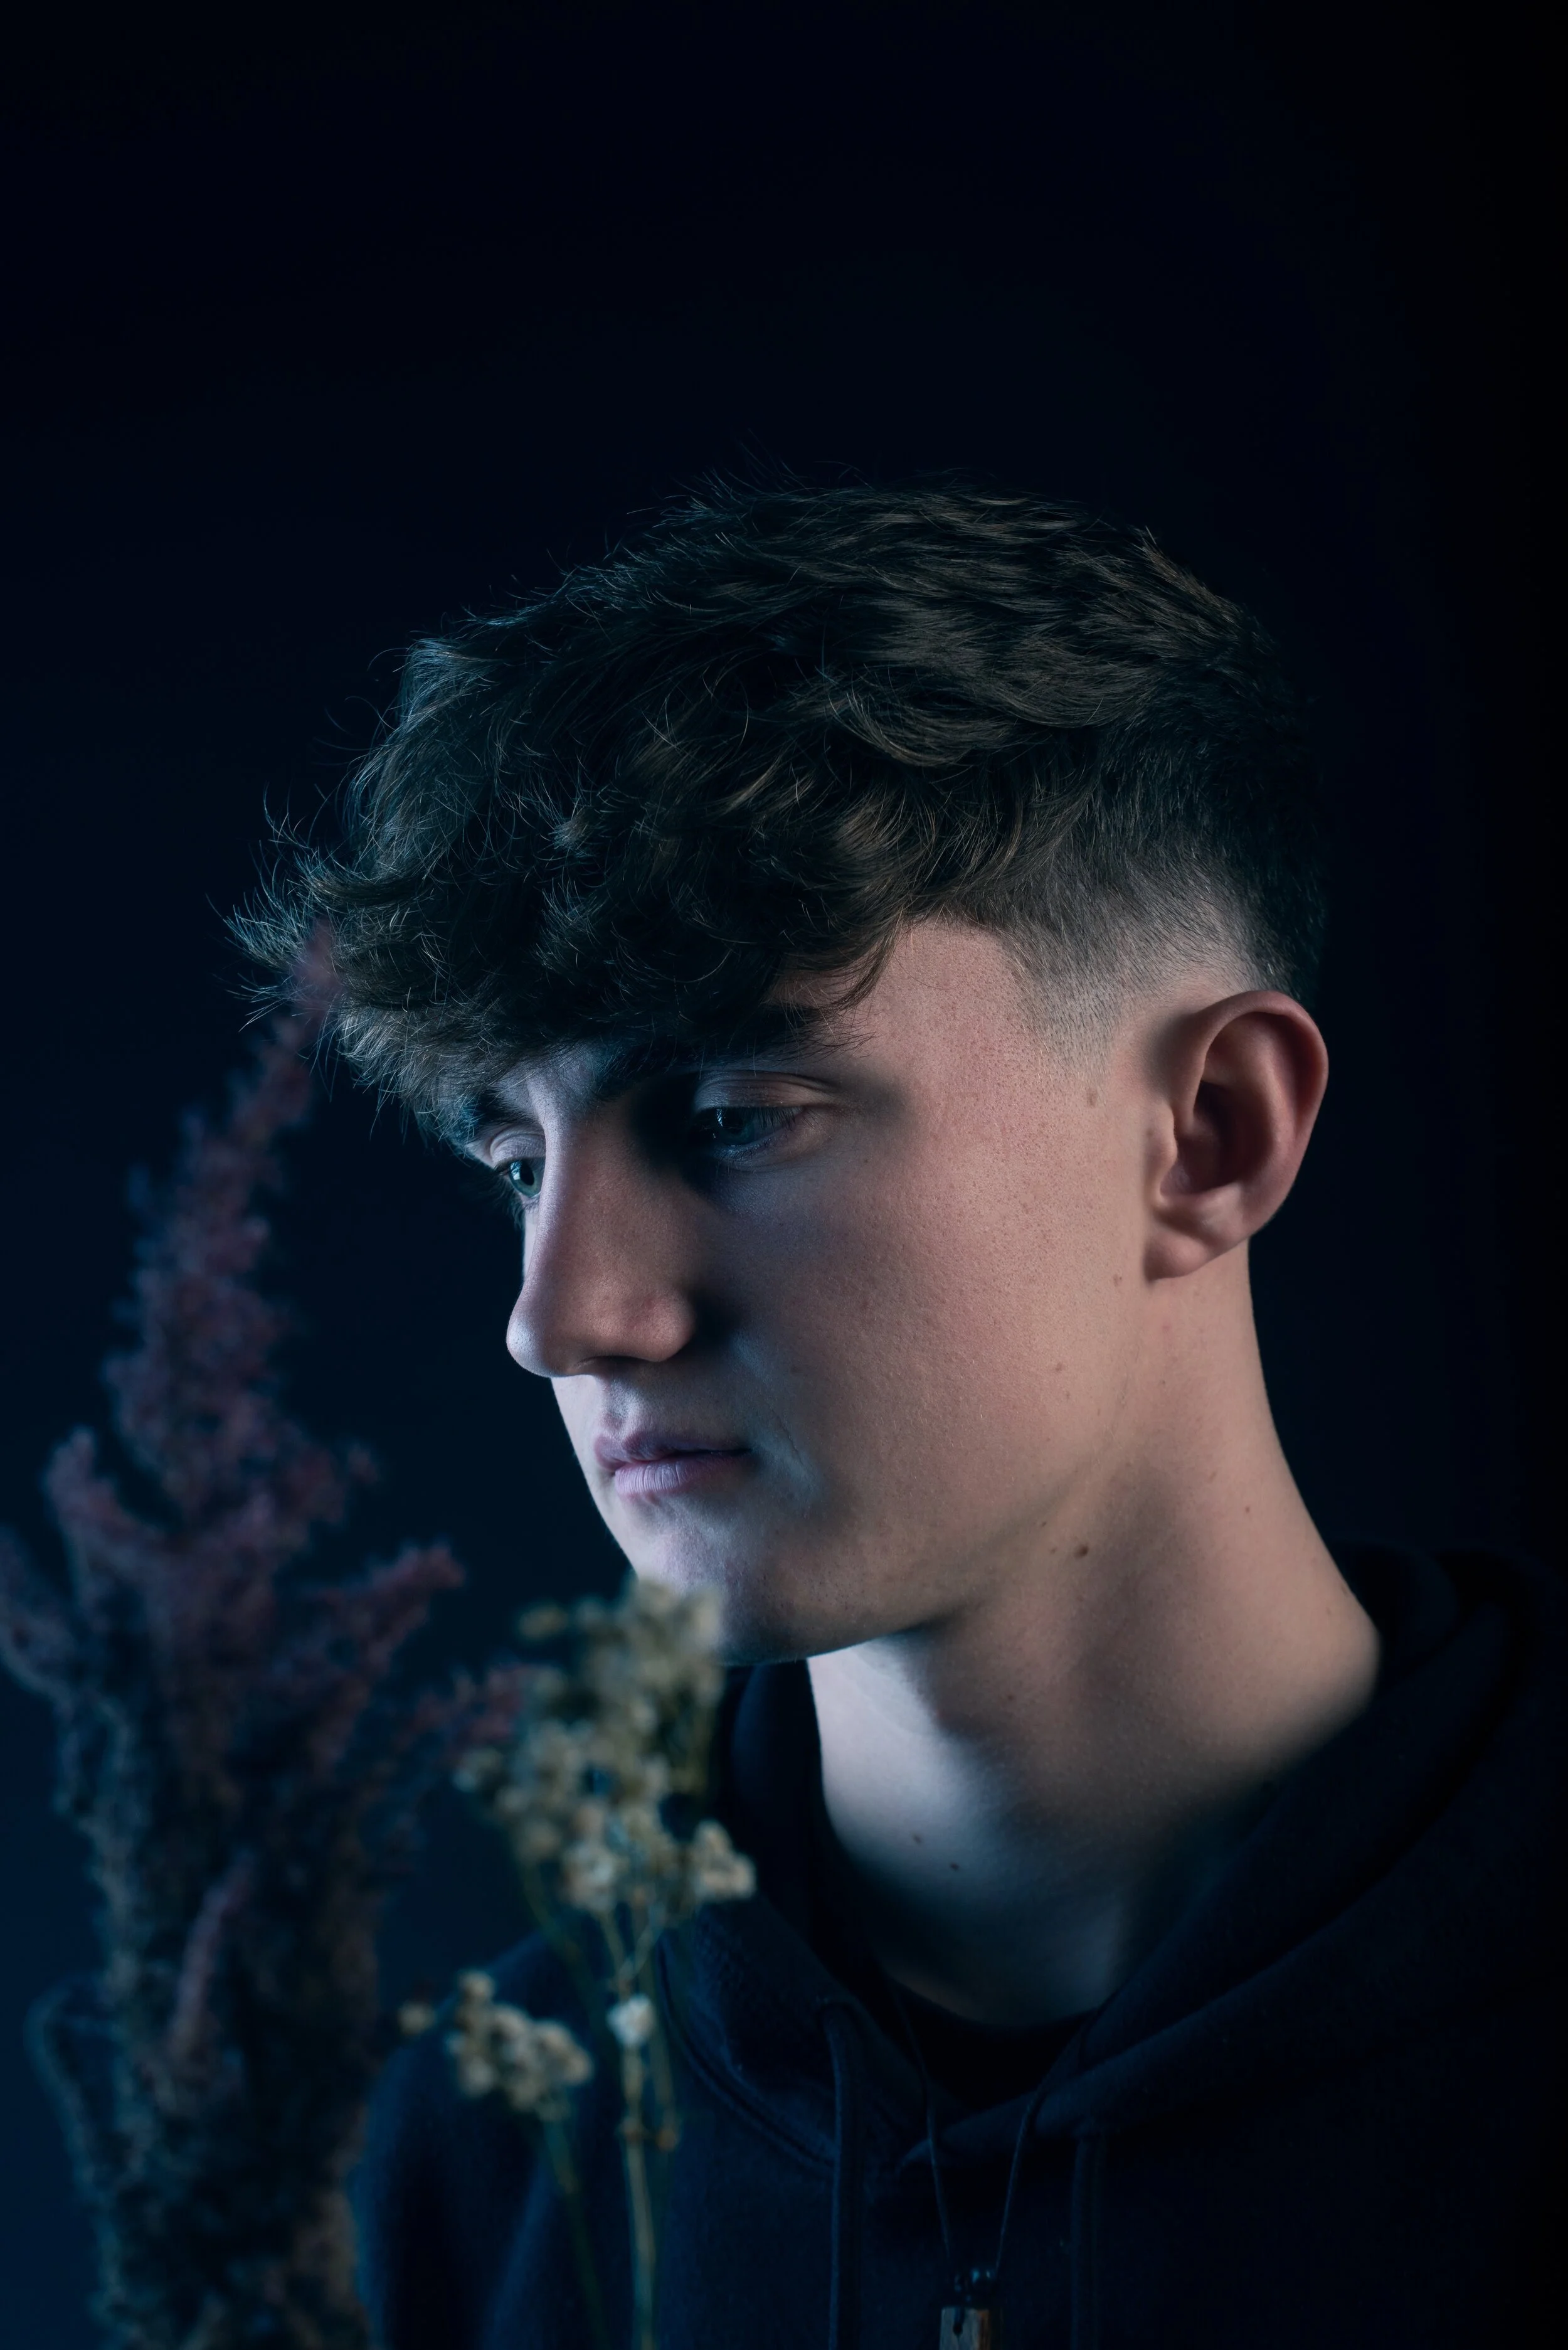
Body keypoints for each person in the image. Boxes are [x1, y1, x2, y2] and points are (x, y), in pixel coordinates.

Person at [243, 481, 1565, 2347]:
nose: (559, 1319)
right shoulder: (488, 2162)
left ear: (1208, 1134)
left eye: (735, 1115)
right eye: (513, 1158)